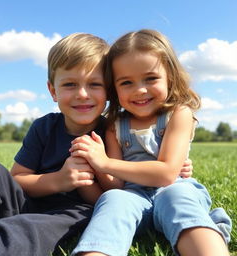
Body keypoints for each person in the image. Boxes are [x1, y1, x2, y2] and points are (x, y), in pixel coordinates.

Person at [0, 32, 191, 256]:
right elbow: (18, 178)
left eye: (94, 84)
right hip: (25, 203)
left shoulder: (111, 130)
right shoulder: (43, 127)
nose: (83, 94)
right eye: (70, 84)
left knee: (25, 228)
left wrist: (96, 168)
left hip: (72, 214)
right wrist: (60, 180)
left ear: (109, 90)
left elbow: (115, 191)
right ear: (53, 91)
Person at [70, 29, 232, 256]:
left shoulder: (178, 114)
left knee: (177, 198)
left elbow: (166, 174)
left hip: (174, 187)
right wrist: (94, 164)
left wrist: (104, 163)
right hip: (132, 197)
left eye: (151, 78)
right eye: (126, 82)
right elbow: (116, 185)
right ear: (113, 88)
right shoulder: (115, 124)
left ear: (170, 77)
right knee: (113, 199)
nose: (140, 90)